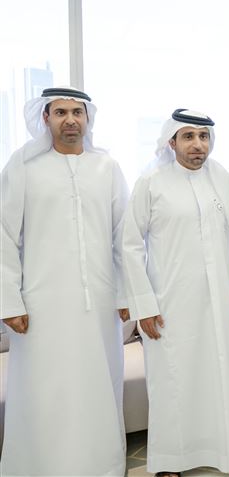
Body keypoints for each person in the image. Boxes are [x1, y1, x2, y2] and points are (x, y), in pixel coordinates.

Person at [0, 87, 128, 476]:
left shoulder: (107, 168)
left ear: (88, 119)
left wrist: (127, 295)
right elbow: (5, 235)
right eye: (60, 112)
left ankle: (100, 466)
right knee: (44, 391)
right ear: (46, 118)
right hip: (41, 303)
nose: (70, 120)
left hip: (100, 303)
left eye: (77, 112)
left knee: (98, 386)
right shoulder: (24, 166)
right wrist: (9, 302)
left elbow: (123, 238)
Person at [121, 109, 229, 476]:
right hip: (169, 302)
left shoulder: (223, 180)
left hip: (217, 300)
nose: (198, 145)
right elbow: (130, 246)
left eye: (204, 136)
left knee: (221, 373)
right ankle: (171, 460)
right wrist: (143, 305)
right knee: (173, 380)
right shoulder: (151, 181)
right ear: (172, 142)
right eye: (189, 137)